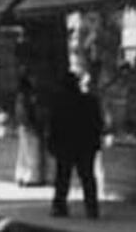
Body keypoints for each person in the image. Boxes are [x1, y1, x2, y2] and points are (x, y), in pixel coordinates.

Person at [47, 72, 104, 219]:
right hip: (85, 145)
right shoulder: (90, 101)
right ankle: (92, 208)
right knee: (87, 176)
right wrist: (95, 142)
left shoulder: (58, 103)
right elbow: (98, 124)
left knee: (62, 177)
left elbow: (53, 126)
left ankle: (60, 206)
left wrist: (52, 144)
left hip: (65, 145)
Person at [14, 75, 45, 186]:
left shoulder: (20, 97)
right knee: (31, 153)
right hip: (29, 127)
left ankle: (21, 175)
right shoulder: (28, 97)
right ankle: (31, 178)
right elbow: (31, 112)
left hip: (23, 126)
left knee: (23, 153)